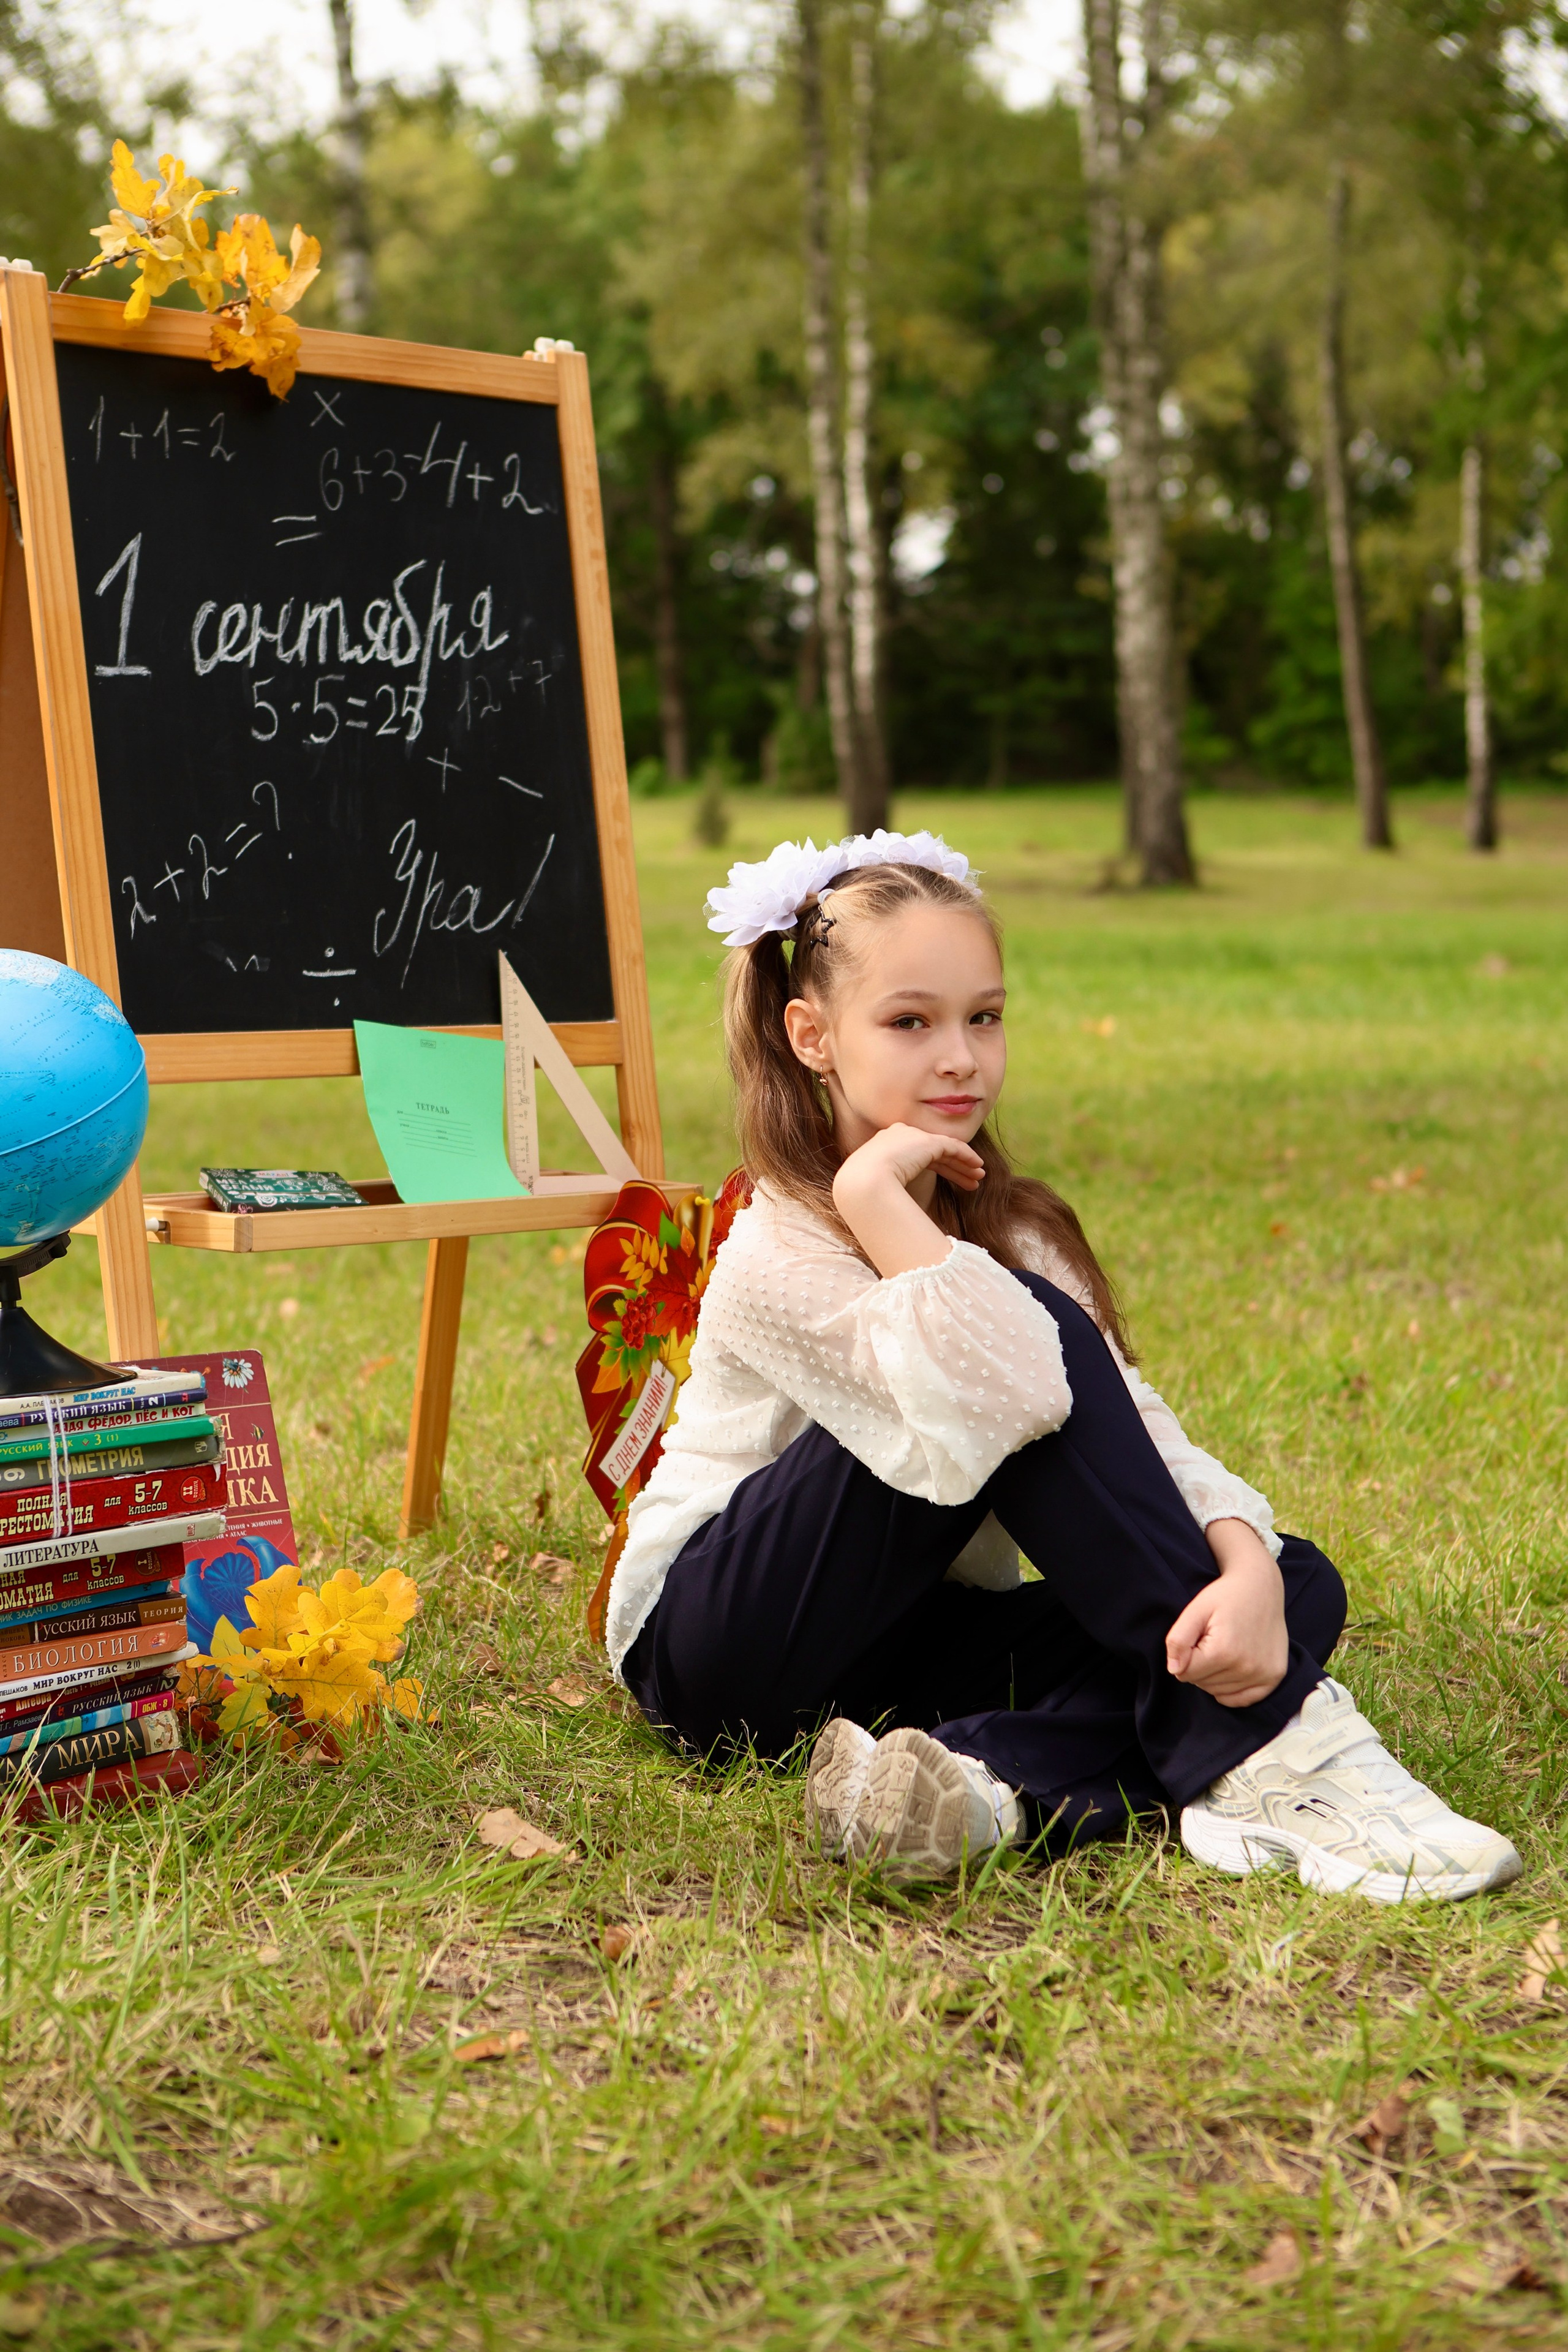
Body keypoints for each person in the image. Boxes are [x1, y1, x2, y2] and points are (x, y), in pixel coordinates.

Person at [606, 832, 1521, 1903]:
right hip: (725, 1652)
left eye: (983, 1017)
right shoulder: (782, 1245)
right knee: (1006, 1336)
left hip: (907, 1650)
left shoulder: (1013, 1225)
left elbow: (1131, 1422)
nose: (961, 1057)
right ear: (812, 1037)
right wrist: (876, 1205)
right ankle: (1277, 1749)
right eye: (911, 1022)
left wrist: (1242, 1558)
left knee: (1287, 1582)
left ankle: (986, 1788)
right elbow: (1005, 1388)